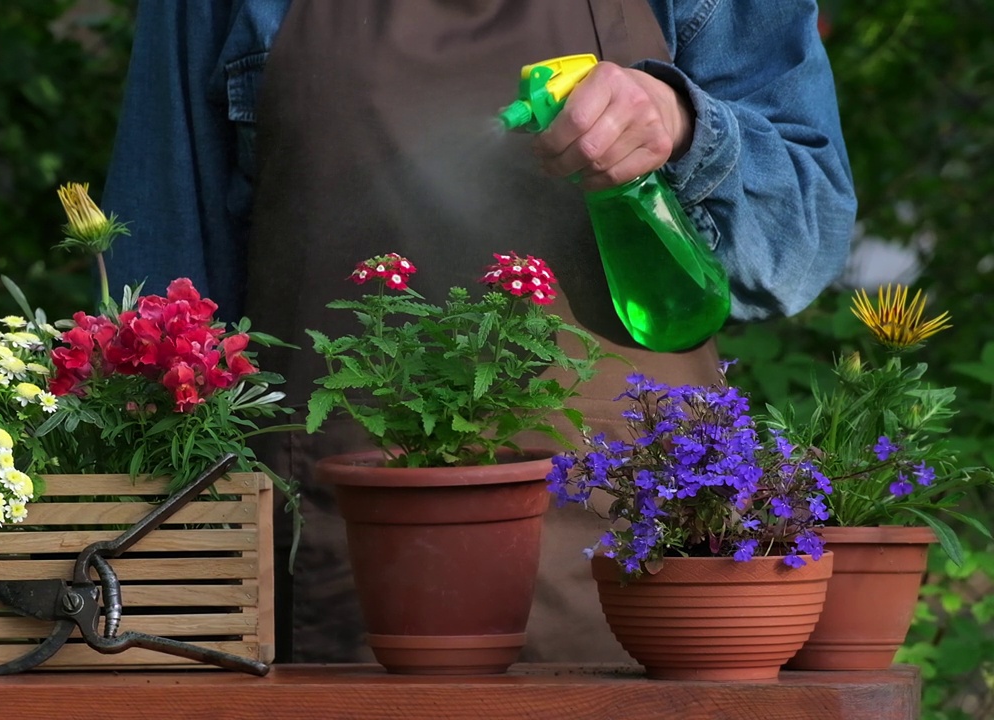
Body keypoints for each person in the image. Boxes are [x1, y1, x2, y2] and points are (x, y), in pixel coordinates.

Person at [100, 0, 857, 664]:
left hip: (639, 560)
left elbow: (802, 241)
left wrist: (687, 128)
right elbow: (165, 303)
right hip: (349, 566)